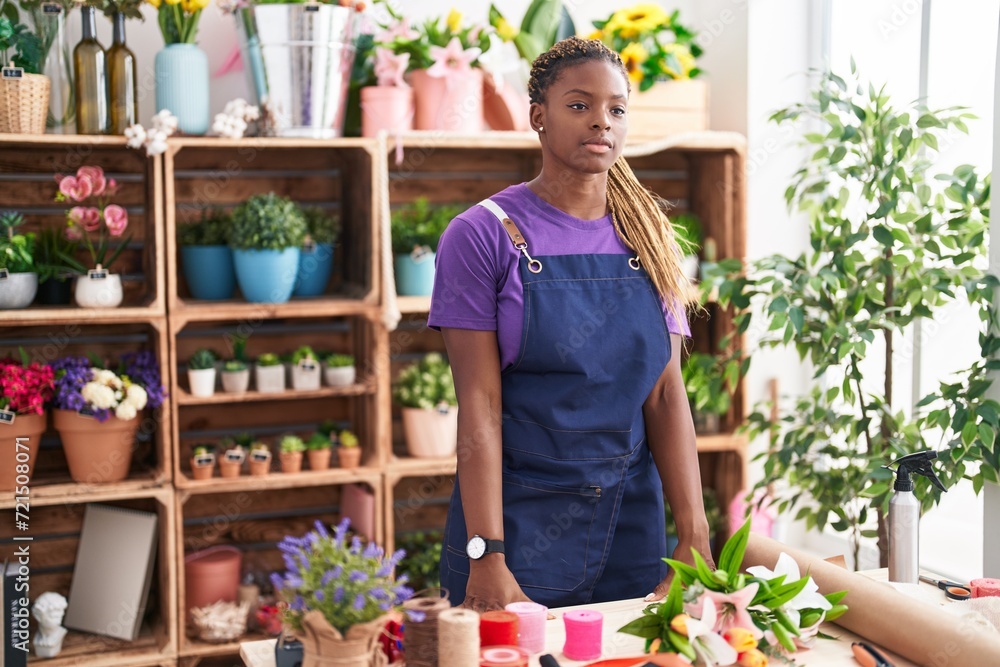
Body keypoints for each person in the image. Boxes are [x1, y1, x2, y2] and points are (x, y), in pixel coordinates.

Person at [427, 36, 714, 611]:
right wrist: (487, 554)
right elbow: (478, 408)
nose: (600, 122)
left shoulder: (650, 235)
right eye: (579, 105)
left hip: (633, 528)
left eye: (616, 109)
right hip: (518, 524)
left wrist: (695, 534)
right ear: (539, 117)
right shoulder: (483, 234)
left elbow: (663, 395)